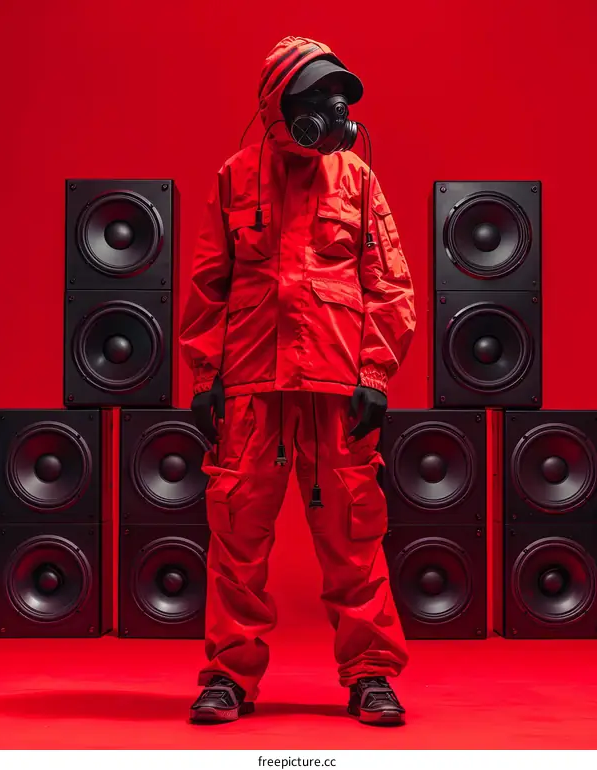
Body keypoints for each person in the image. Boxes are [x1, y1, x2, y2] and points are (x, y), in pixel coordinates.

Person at [179, 35, 416, 726]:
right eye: (317, 97)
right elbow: (206, 284)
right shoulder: (235, 175)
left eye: (337, 98)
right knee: (236, 539)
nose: (335, 110)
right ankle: (228, 675)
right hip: (252, 388)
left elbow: (390, 283)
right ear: (281, 105)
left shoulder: (358, 179)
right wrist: (204, 375)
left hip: (336, 390)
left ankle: (370, 673)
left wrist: (374, 372)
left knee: (355, 536)